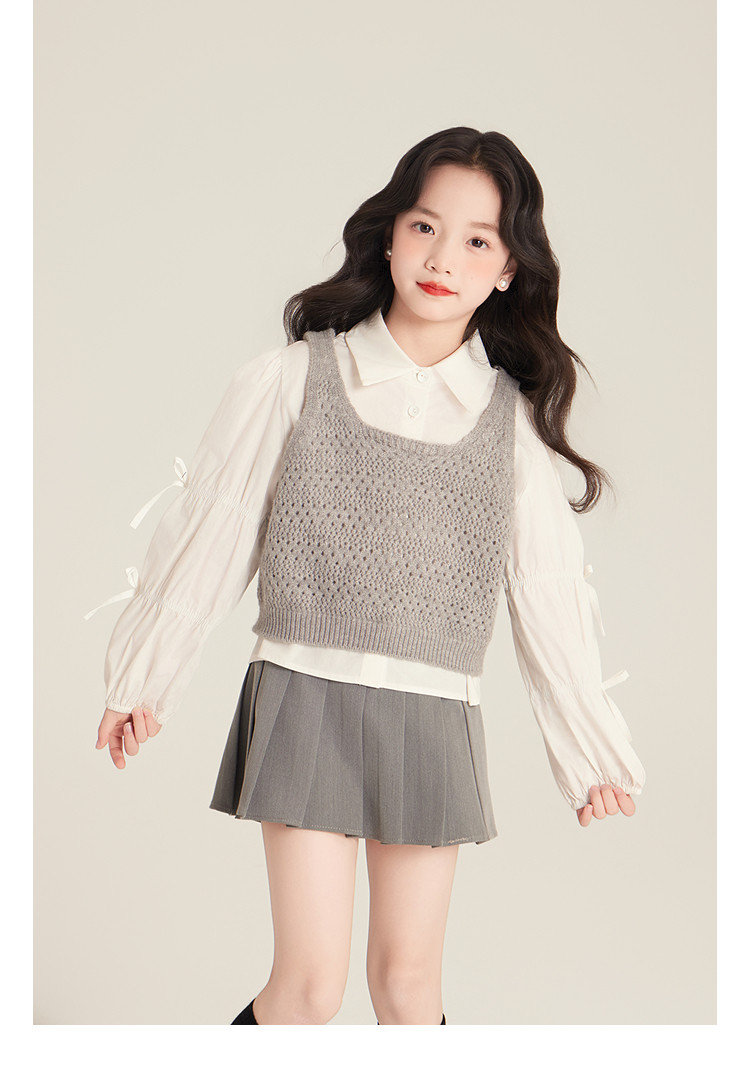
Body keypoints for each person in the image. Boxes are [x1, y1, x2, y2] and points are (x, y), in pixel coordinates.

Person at [86, 127, 646, 1026]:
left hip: (433, 715)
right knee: (307, 988)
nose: (443, 258)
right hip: (304, 694)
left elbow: (549, 594)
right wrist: (142, 677)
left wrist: (591, 754)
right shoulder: (291, 379)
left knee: (409, 989)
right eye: (425, 227)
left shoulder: (509, 431)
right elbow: (213, 530)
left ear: (509, 269)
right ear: (389, 236)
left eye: (477, 240)